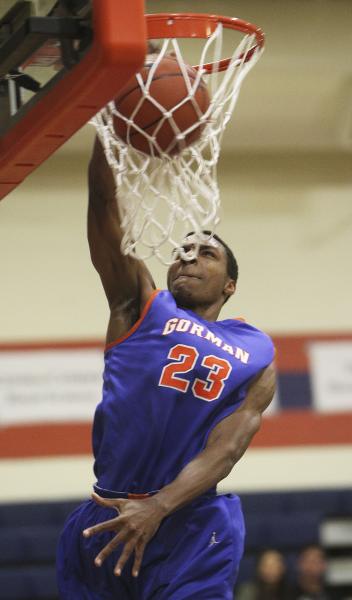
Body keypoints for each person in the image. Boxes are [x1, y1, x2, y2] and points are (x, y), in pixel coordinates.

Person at [56, 136, 276, 600]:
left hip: (191, 523)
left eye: (207, 253)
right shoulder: (140, 303)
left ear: (230, 285)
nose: (189, 257)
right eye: (183, 250)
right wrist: (107, 126)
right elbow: (103, 209)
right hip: (108, 511)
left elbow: (227, 449)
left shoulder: (256, 350)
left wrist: (158, 507)